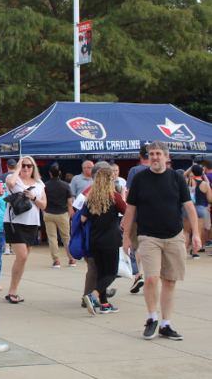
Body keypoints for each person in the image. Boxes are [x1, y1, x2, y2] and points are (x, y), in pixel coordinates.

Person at [123, 141, 201, 340]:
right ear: (147, 157)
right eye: (151, 154)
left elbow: (189, 207)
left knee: (170, 281)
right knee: (150, 278)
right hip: (149, 236)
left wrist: (196, 235)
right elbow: (130, 210)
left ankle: (166, 324)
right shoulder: (140, 179)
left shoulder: (176, 178)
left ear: (166, 156)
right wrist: (125, 239)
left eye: (158, 153)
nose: (154, 157)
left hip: (175, 236)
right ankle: (152, 318)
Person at [81, 166, 127, 315]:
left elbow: (83, 218)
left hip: (94, 239)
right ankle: (93, 295)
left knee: (101, 272)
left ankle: (105, 304)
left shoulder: (91, 197)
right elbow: (126, 210)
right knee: (111, 273)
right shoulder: (113, 196)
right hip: (110, 239)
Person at [3, 155, 46, 303]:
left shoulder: (39, 183)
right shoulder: (15, 179)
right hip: (15, 222)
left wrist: (34, 197)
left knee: (23, 258)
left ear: (34, 168)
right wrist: (17, 169)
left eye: (29, 166)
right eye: (24, 165)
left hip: (32, 223)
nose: (26, 168)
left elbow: (44, 205)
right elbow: (9, 183)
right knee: (22, 256)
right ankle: (12, 291)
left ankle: (13, 289)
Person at [125, 144, 150, 293]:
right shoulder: (160, 170)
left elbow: (129, 195)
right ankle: (151, 274)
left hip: (136, 215)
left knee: (133, 245)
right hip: (153, 216)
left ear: (140, 156)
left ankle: (137, 274)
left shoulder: (135, 171)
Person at [43, 164, 75, 268]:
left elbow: (43, 200)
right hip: (62, 213)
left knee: (52, 237)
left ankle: (56, 260)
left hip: (49, 212)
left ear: (50, 174)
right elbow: (70, 202)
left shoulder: (45, 186)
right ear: (60, 173)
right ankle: (71, 258)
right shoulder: (65, 185)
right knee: (66, 237)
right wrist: (70, 212)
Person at [182, 164, 211, 259]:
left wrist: (190, 168)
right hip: (201, 208)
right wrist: (204, 176)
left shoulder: (188, 181)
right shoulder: (205, 184)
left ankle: (184, 251)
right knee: (197, 231)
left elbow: (183, 177)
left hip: (188, 207)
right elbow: (210, 198)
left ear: (192, 172)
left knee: (186, 231)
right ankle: (195, 252)